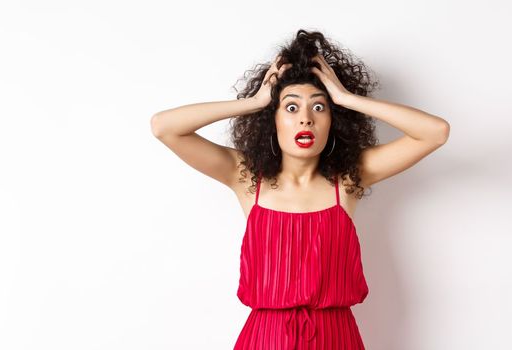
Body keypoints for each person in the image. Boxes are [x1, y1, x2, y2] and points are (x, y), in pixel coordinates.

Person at [149, 29, 450, 349]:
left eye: (319, 108)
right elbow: (164, 127)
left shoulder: (348, 180)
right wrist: (255, 102)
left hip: (336, 339)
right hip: (266, 339)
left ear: (334, 120)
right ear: (272, 119)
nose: (305, 119)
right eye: (291, 108)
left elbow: (435, 133)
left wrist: (346, 98)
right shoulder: (246, 178)